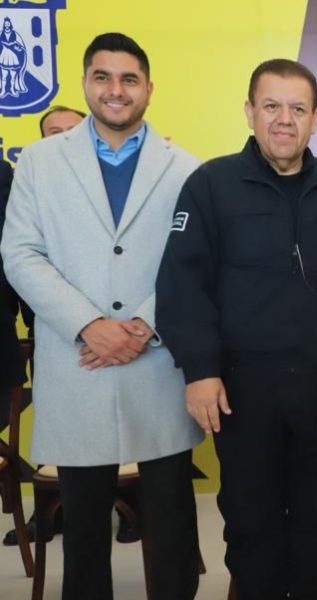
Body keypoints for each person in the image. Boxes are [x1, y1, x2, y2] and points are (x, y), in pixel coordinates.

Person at [1, 32, 203, 599]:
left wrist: (142, 326)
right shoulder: (39, 162)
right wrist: (90, 325)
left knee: (171, 521)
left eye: (129, 79)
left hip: (156, 360)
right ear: (86, 82)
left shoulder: (186, 168)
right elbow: (20, 253)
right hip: (78, 360)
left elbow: (193, 260)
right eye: (103, 77)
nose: (116, 90)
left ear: (149, 89)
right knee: (83, 526)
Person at [156, 58, 317, 600]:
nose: (284, 119)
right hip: (244, 391)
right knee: (252, 528)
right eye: (271, 106)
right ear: (249, 111)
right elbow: (182, 286)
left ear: (316, 118)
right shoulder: (211, 185)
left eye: (297, 108)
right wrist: (200, 370)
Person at [2, 103, 140, 549]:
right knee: (71, 441)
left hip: (134, 339)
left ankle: (132, 506)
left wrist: (128, 328)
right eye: (52, 132)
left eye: (71, 129)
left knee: (133, 430)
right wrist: (85, 324)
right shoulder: (31, 184)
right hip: (60, 338)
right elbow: (20, 258)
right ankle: (55, 511)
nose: (62, 138)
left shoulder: (136, 177)